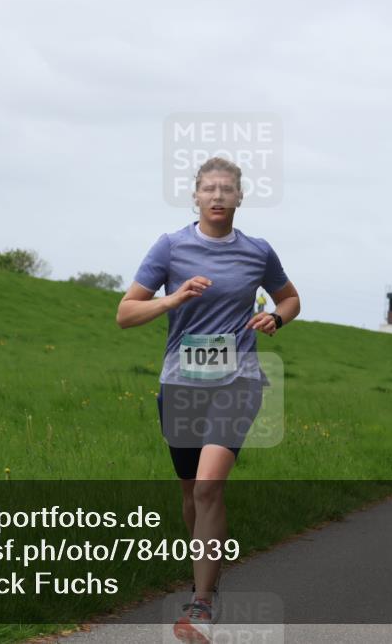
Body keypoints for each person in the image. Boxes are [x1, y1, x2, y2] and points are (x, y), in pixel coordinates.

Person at [117, 157, 300, 642]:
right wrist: (172, 300)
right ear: (195, 197)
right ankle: (206, 576)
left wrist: (276, 319)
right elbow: (125, 313)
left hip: (237, 381)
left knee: (207, 487)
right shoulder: (170, 247)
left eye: (227, 190)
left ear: (240, 198)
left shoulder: (258, 252)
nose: (218, 197)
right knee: (189, 493)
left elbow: (290, 298)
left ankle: (200, 604)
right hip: (181, 384)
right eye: (209, 189)